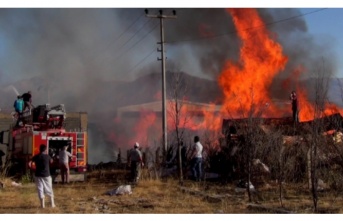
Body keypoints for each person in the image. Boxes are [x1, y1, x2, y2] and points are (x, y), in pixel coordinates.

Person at [28, 144, 56, 208]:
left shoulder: (36, 156)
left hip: (38, 175)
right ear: (45, 150)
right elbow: (51, 162)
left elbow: (29, 163)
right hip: (46, 175)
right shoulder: (47, 156)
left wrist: (32, 168)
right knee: (49, 188)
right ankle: (52, 204)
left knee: (40, 189)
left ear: (39, 149)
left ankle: (42, 205)